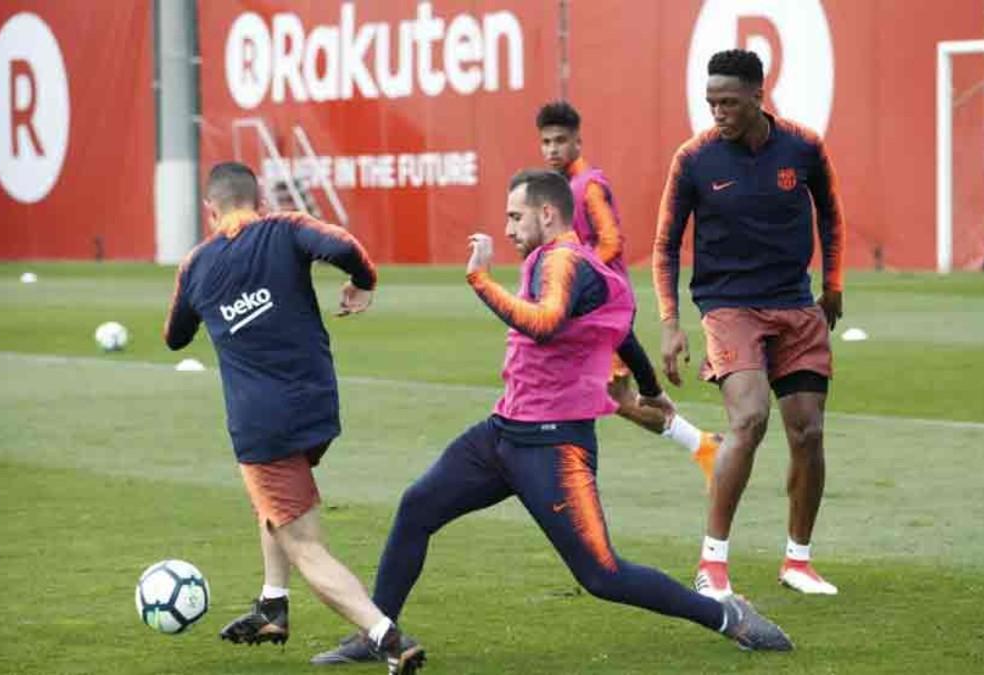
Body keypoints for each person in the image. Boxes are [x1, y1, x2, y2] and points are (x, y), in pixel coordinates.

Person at [311, 170, 792, 667]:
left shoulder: (562, 260)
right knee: (417, 507)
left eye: (515, 217)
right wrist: (650, 390)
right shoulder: (566, 262)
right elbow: (621, 333)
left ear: (547, 214)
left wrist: (479, 278)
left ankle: (726, 616)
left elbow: (543, 325)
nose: (509, 228)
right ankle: (378, 633)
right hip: (503, 434)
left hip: (554, 448)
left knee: (603, 575)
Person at [163, 162, 425, 675]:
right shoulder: (287, 228)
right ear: (259, 197)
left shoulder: (196, 265)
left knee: (303, 543)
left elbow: (174, 336)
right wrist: (362, 282)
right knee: (274, 504)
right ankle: (272, 606)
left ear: (209, 209)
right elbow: (345, 246)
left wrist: (223, 308)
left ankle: (386, 637)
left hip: (263, 425)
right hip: (317, 406)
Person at [653, 49, 847, 600]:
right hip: (728, 305)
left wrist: (832, 283)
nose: (718, 111)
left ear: (759, 96)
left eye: (729, 102)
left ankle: (798, 561)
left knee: (808, 431)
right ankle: (712, 563)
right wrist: (670, 322)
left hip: (795, 300)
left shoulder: (803, 148)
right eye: (711, 102)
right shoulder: (693, 159)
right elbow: (665, 245)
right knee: (751, 418)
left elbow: (831, 215)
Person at [536, 101, 720, 482]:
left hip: (604, 307)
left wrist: (575, 273)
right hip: (590, 309)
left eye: (560, 141)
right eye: (546, 142)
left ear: (578, 142)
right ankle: (702, 444)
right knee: (599, 394)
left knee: (607, 397)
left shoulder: (589, 186)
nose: (552, 149)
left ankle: (702, 444)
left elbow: (611, 242)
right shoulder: (563, 188)